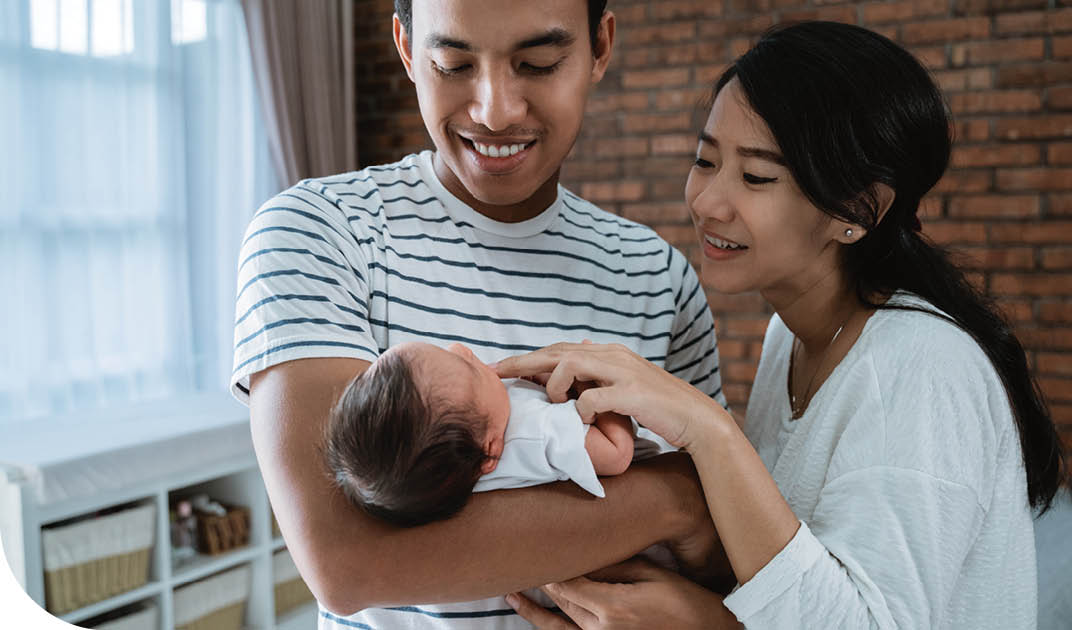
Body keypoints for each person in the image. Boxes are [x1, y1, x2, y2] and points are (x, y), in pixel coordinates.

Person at [496, 21, 1067, 630]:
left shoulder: (924, 366)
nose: (708, 201)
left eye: (757, 177)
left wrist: (709, 433)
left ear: (860, 210)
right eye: (705, 160)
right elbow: (793, 568)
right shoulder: (789, 337)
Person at [231, 1, 727, 628]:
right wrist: (676, 497)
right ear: (409, 50)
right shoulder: (320, 235)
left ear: (600, 46)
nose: (495, 111)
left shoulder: (657, 278)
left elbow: (721, 553)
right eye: (453, 63)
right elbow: (347, 566)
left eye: (538, 63)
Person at [324, 341, 639, 527]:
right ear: (491, 450)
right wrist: (595, 384)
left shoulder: (457, 459)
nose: (462, 349)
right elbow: (617, 453)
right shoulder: (535, 434)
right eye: (471, 369)